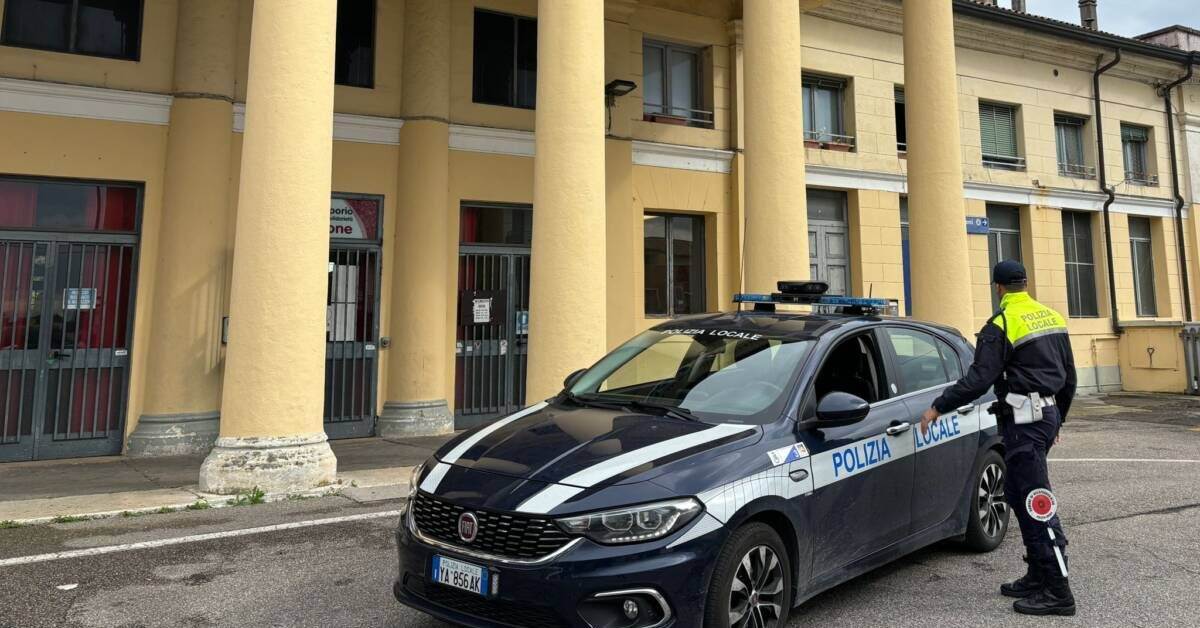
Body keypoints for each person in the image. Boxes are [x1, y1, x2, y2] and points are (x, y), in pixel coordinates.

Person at [919, 260, 1077, 617]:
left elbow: (979, 379)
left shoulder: (1001, 323)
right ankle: (1038, 575)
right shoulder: (1051, 317)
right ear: (1025, 283)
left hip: (1024, 422)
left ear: (998, 288)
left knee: (1037, 503)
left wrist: (937, 407)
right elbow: (1069, 377)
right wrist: (1057, 421)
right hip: (1044, 416)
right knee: (1020, 497)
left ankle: (1058, 590)